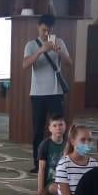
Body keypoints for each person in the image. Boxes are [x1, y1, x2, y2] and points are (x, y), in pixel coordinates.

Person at [22, 14, 71, 170]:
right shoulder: (31, 45)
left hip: (56, 93)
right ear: (38, 27)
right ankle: (38, 164)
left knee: (59, 129)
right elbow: (25, 65)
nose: (46, 33)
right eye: (43, 30)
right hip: (37, 94)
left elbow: (69, 63)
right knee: (38, 130)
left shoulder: (59, 42)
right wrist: (41, 50)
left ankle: (61, 162)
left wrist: (59, 51)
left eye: (49, 30)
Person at [30, 123, 98, 195]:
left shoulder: (93, 164)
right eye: (83, 140)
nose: (87, 143)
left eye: (89, 140)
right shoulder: (64, 163)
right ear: (73, 141)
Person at [36, 113, 66, 195]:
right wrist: (40, 189)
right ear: (50, 128)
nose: (58, 128)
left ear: (65, 126)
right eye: (55, 125)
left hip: (65, 179)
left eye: (61, 125)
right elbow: (41, 168)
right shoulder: (45, 145)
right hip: (51, 182)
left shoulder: (67, 144)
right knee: (59, 190)